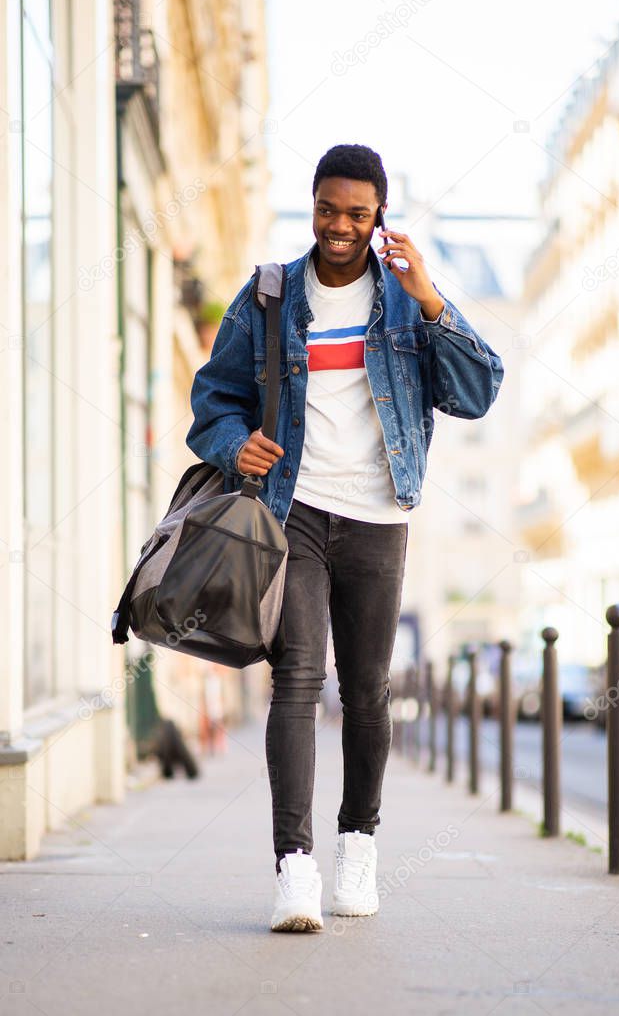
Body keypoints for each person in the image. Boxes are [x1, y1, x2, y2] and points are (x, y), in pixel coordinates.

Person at [186, 144, 505, 932]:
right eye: (329, 208)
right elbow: (212, 397)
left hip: (379, 517)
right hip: (292, 510)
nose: (340, 226)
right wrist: (236, 444)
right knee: (296, 677)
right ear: (314, 203)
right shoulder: (268, 295)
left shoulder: (403, 301)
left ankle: (357, 843)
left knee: (365, 690)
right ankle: (294, 867)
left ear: (379, 218)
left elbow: (477, 389)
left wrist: (429, 297)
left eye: (357, 214)